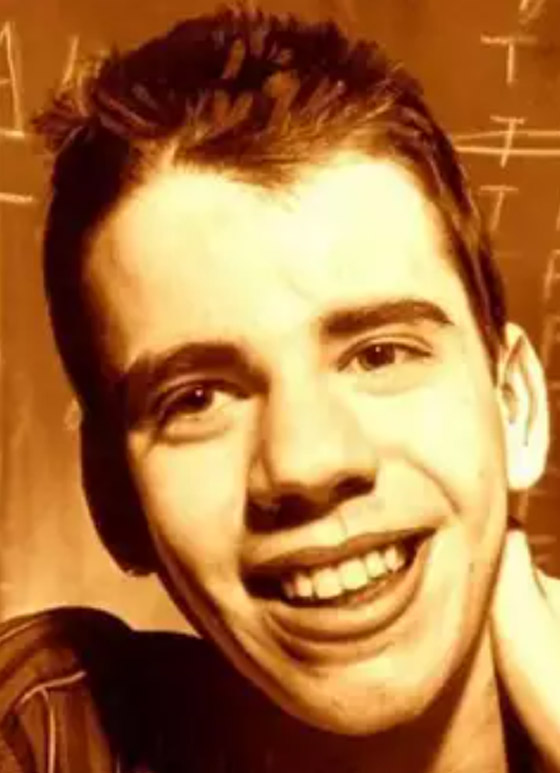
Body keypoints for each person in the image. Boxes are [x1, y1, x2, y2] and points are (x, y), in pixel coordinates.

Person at [1, 5, 559, 771]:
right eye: (197, 398)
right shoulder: (45, 730)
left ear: (515, 407)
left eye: (380, 354)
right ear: (112, 499)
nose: (305, 461)